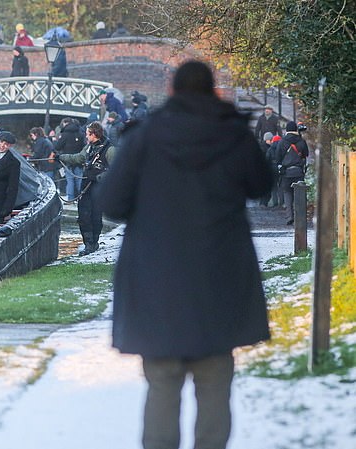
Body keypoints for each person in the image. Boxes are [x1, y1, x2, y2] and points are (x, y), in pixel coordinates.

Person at [98, 60, 272, 449]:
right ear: (212, 90)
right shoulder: (232, 133)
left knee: (162, 384)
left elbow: (111, 201)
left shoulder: (145, 136)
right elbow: (261, 184)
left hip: (157, 278)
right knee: (214, 384)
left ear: (173, 91)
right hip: (220, 276)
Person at [56, 121, 115, 255]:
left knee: (95, 215)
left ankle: (93, 243)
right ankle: (88, 243)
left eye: (88, 134)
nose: (86, 137)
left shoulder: (110, 150)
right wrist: (61, 157)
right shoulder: (88, 148)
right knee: (83, 215)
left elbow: (116, 170)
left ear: (94, 134)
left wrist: (100, 177)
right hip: (86, 185)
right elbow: (78, 158)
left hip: (98, 187)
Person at [277, 120, 309, 225]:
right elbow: (306, 154)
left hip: (286, 172)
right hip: (298, 171)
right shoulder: (301, 141)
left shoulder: (282, 141)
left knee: (287, 193)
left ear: (286, 130)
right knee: (299, 194)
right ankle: (300, 217)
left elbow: (278, 157)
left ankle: (289, 216)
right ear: (295, 129)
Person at [54, 117, 85, 201]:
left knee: (70, 180)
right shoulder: (80, 133)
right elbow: (84, 146)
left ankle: (71, 199)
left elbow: (57, 146)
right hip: (79, 160)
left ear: (66, 123)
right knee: (79, 180)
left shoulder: (65, 134)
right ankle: (81, 198)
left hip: (67, 160)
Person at [266, 134, 284, 208]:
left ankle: (275, 202)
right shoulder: (282, 148)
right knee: (280, 186)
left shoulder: (270, 149)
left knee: (274, 187)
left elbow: (267, 160)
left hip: (272, 168)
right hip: (280, 168)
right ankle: (281, 202)